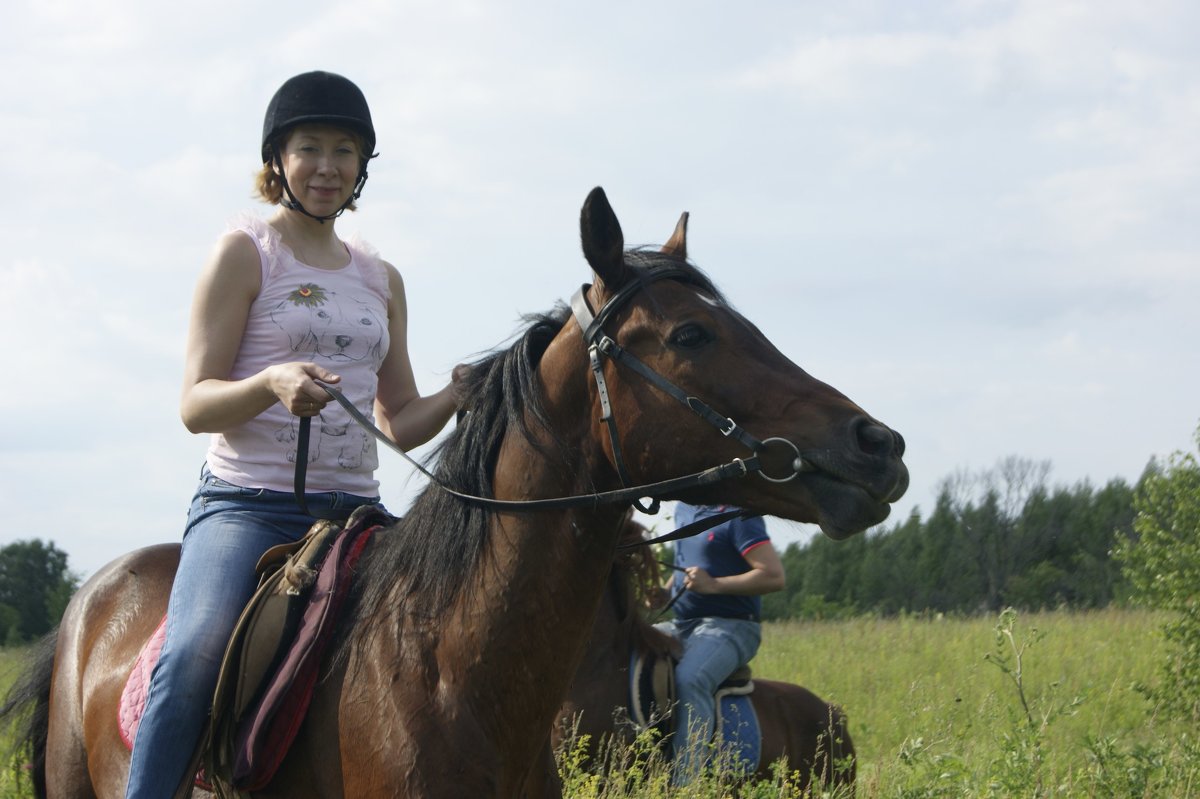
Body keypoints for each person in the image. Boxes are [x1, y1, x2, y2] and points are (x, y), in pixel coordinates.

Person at [125, 71, 467, 798]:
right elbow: (195, 402)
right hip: (249, 505)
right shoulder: (246, 252)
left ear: (362, 168)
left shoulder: (381, 277)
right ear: (276, 158)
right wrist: (270, 382)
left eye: (345, 150)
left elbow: (398, 420)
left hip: (358, 515)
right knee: (194, 652)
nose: (327, 166)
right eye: (309, 147)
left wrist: (457, 396)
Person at [653, 502, 786, 784]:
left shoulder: (740, 515)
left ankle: (685, 784)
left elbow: (774, 576)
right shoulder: (684, 509)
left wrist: (714, 585)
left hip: (735, 626)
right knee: (628, 650)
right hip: (682, 625)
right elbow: (690, 564)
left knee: (690, 680)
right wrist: (665, 594)